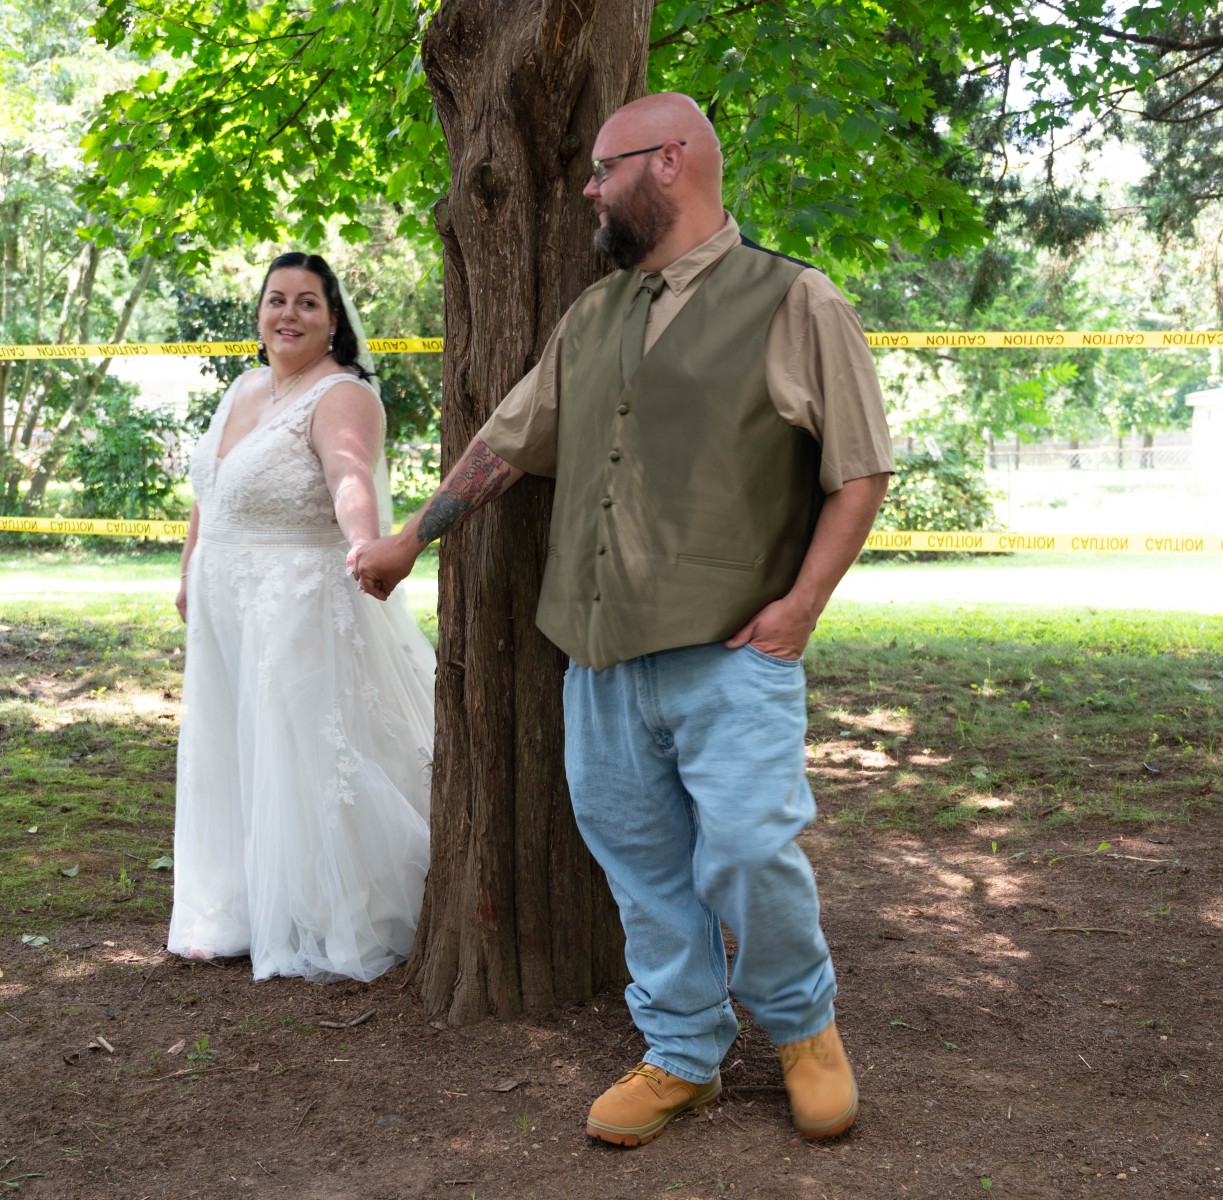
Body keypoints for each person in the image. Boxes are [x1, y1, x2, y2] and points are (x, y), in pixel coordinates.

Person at [352, 93, 893, 1141]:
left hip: (733, 653)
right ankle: (683, 1054)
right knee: (641, 870)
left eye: (605, 169)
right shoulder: (595, 314)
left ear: (672, 160)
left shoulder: (795, 299)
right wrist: (413, 535)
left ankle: (803, 1028)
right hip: (597, 657)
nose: (589, 191)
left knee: (750, 852)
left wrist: (801, 609)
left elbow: (860, 470)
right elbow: (509, 441)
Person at [169, 252, 435, 983]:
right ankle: (236, 906)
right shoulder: (243, 387)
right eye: (276, 299)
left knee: (300, 744)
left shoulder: (342, 395)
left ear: (332, 320)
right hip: (224, 598)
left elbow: (350, 476)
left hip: (298, 599)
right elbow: (210, 491)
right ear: (259, 312)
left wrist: (365, 544)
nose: (289, 314)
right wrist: (188, 571)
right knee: (232, 741)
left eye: (308, 302)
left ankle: (333, 908)